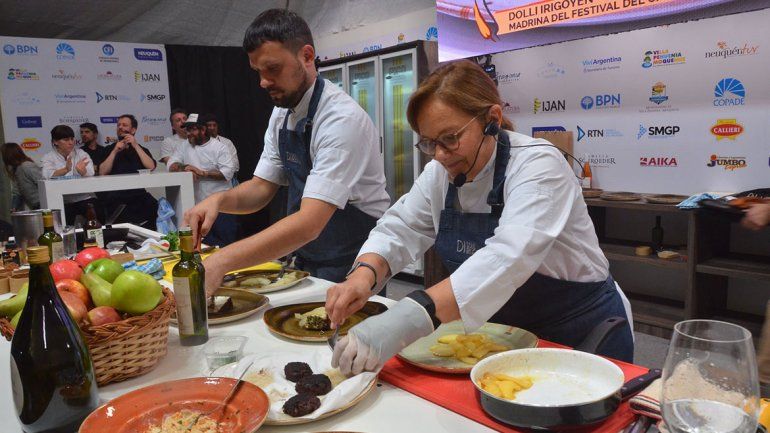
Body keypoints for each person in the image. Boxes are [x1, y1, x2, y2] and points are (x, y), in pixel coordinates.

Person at [325, 60, 635, 375]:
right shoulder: (439, 174)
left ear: (492, 120)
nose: (440, 155)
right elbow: (401, 228)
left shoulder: (539, 165)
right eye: (430, 143)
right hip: (507, 335)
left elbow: (508, 256)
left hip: (577, 330)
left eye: (450, 138)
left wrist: (407, 318)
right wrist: (362, 276)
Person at [184, 9, 389, 295]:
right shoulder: (282, 113)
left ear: (307, 56)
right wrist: (218, 200)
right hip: (307, 255)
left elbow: (309, 224)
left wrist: (222, 261)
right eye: (258, 72)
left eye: (273, 68)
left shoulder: (341, 120)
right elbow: (261, 188)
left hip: (354, 264)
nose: (263, 82)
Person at [168, 113, 237, 246]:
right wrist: (185, 167)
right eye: (187, 130)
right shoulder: (184, 146)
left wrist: (203, 173)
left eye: (192, 129)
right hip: (198, 206)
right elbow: (171, 164)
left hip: (221, 208)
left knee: (225, 244)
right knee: (203, 245)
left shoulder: (219, 147)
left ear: (203, 130)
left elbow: (228, 173)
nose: (189, 133)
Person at [98, 114, 159, 229]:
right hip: (116, 197)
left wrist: (135, 146)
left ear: (133, 130)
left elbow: (151, 167)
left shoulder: (141, 149)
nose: (120, 127)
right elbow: (102, 172)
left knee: (154, 206)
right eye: (118, 125)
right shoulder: (109, 149)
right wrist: (115, 151)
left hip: (138, 195)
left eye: (124, 125)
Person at [41, 125, 97, 224]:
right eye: (66, 140)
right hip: (63, 200)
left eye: (72, 139)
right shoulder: (48, 157)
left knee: (96, 217)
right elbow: (47, 175)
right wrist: (65, 170)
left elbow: (91, 172)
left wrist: (83, 171)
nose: (71, 142)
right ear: (55, 142)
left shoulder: (81, 153)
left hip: (84, 197)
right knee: (61, 222)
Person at [2, 142, 42, 210]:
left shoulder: (26, 166)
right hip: (35, 205)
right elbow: (17, 191)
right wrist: (14, 207)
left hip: (43, 204)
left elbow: (42, 183)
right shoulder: (16, 169)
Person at [202, 113, 239, 183]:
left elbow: (235, 165)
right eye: (209, 125)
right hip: (206, 181)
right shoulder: (201, 143)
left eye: (214, 125)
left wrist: (222, 173)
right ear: (204, 128)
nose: (212, 128)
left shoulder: (227, 142)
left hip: (226, 181)